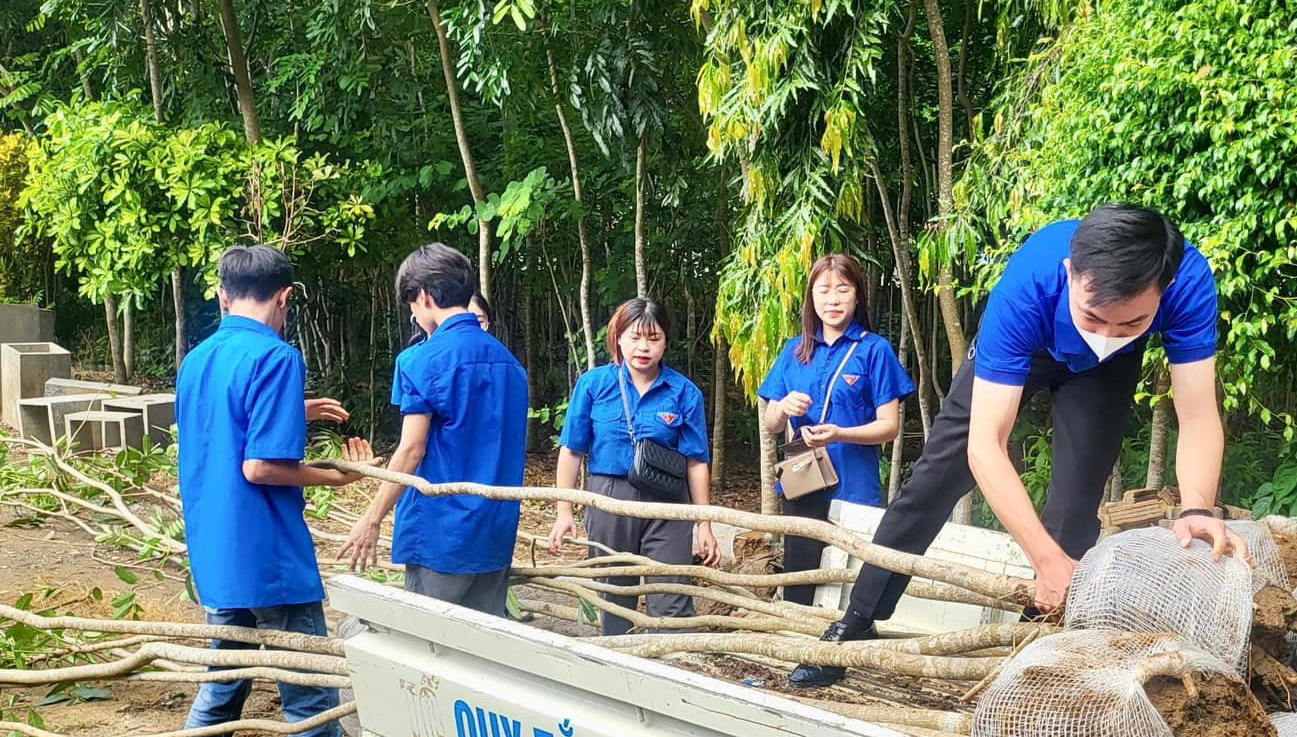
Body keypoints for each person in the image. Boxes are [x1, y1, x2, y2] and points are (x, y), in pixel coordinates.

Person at [789, 203, 1247, 688]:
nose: (1106, 333)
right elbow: (986, 445)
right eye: (1092, 316)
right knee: (934, 480)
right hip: (1025, 350)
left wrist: (1198, 509)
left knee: (1076, 502)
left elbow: (1197, 414)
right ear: (1071, 274)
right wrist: (1043, 561)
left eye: (1130, 324)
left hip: (1104, 374)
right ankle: (857, 621)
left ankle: (1035, 655)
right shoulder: (1028, 284)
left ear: (1166, 290)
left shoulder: (1188, 282)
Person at [156, 244, 386, 737]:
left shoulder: (200, 359)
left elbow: (227, 427)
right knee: (311, 703)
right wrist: (339, 476)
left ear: (224, 296)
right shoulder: (277, 356)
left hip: (218, 556)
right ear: (285, 298)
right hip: (271, 559)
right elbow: (261, 466)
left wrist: (299, 410)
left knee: (223, 683)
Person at [337, 245, 528, 616]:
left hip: (441, 529)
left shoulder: (420, 360)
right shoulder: (511, 365)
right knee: (484, 644)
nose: (413, 314)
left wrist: (372, 518)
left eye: (412, 304)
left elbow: (412, 449)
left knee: (428, 644)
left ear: (424, 297)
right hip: (496, 528)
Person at [548, 298, 720, 635]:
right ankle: (616, 670)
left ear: (665, 341)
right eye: (634, 337)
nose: (643, 347)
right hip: (608, 496)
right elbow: (571, 451)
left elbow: (697, 461)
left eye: (653, 338)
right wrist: (563, 511)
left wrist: (704, 524)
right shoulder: (594, 385)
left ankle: (671, 671)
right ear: (618, 339)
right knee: (615, 591)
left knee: (671, 594)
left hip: (668, 502)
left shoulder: (684, 392)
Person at [758, 254, 915, 605]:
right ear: (811, 297)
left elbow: (890, 427)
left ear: (857, 296)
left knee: (851, 580)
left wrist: (841, 434)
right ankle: (797, 647)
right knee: (800, 574)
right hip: (803, 480)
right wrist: (782, 409)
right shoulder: (794, 351)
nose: (833, 299)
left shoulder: (875, 350)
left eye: (843, 290)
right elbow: (771, 423)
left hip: (855, 483)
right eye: (823, 290)